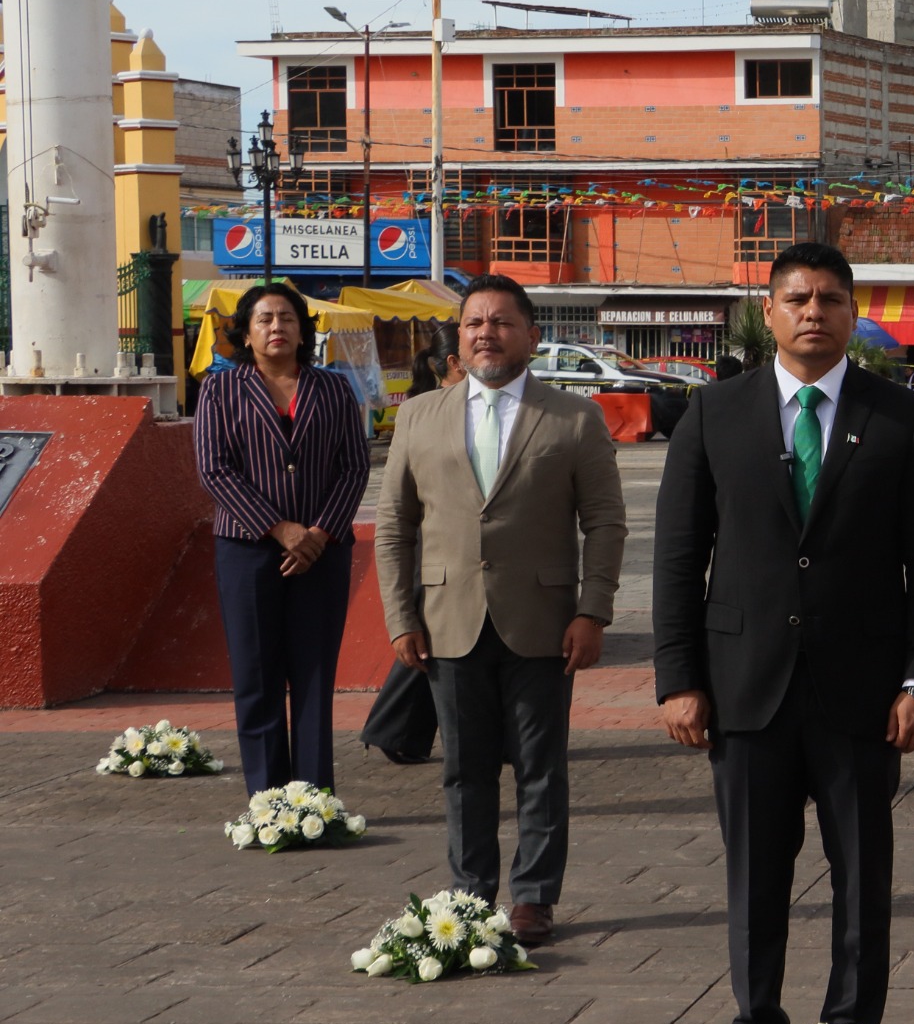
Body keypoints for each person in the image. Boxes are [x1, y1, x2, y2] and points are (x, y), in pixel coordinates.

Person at [655, 241, 914, 1024]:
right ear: (769, 311)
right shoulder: (713, 415)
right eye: (797, 298)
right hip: (744, 688)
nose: (813, 312)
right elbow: (678, 560)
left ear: (853, 311)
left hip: (864, 694)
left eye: (830, 298)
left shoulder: (900, 419)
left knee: (863, 873)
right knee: (755, 876)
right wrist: (679, 677)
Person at [376, 273, 627, 947]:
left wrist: (594, 610)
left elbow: (605, 522)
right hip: (447, 620)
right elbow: (395, 525)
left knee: (541, 768)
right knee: (465, 768)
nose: (486, 333)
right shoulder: (421, 414)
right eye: (473, 323)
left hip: (544, 622)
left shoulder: (574, 417)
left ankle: (534, 898)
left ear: (532, 335)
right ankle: (469, 893)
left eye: (501, 322)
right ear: (458, 338)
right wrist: (401, 617)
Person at [193, 281, 371, 794]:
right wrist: (281, 528)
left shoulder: (334, 388)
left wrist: (317, 533)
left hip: (322, 553)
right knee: (257, 677)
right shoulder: (220, 389)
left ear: (302, 329)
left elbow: (354, 467)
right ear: (246, 334)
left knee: (314, 676)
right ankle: (268, 800)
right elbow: (215, 470)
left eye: (288, 318)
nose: (278, 327)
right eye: (266, 319)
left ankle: (313, 799)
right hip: (247, 551)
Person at [363, 322, 468, 766]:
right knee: (430, 640)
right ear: (453, 363)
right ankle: (396, 727)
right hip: (437, 541)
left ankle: (400, 729)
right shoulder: (423, 411)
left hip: (463, 546)